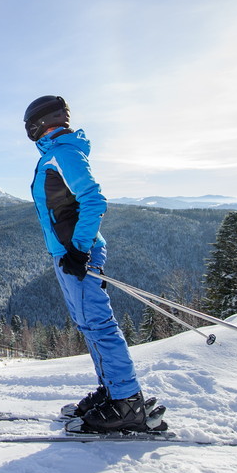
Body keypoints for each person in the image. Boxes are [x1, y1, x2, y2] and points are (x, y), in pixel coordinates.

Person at [24, 95, 164, 434]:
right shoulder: (59, 152)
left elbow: (94, 200)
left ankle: (126, 403)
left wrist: (79, 250)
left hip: (77, 255)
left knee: (98, 325)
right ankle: (113, 390)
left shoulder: (62, 153)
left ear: (37, 125)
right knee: (89, 325)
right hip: (69, 254)